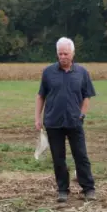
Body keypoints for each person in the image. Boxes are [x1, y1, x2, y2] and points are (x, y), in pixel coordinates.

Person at [35, 37, 96, 203]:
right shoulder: (48, 72)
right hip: (53, 122)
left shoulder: (82, 73)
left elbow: (87, 96)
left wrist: (82, 115)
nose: (63, 57)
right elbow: (41, 96)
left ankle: (88, 188)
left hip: (74, 122)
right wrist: (37, 118)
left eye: (66, 53)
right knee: (58, 158)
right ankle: (63, 190)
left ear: (73, 53)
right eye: (60, 53)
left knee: (81, 156)